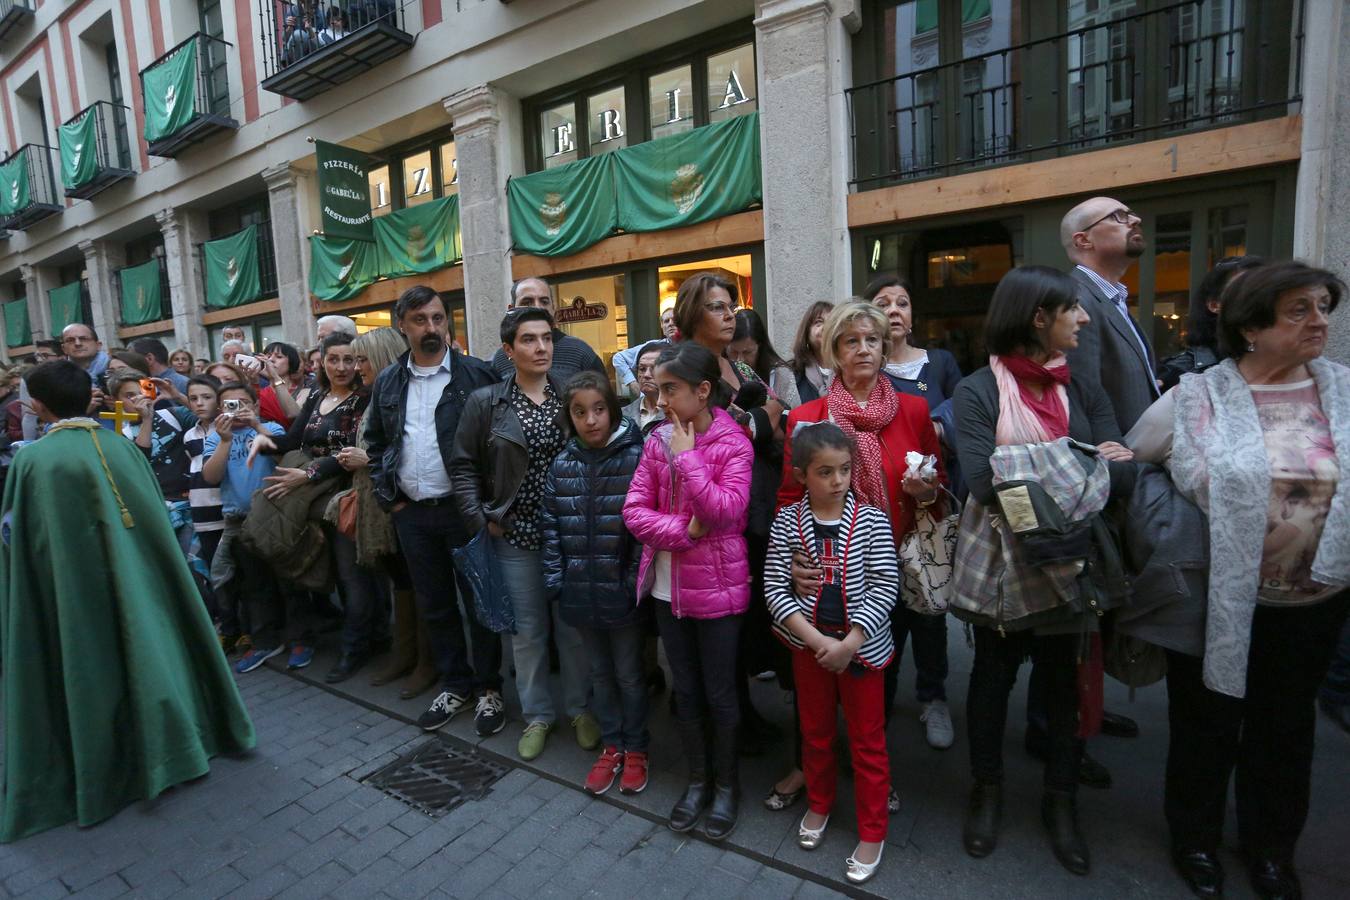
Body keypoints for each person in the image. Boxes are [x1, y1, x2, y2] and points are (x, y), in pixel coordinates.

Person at [1125, 261, 1350, 900]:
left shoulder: (1341, 389)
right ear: (1252, 326)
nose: (1320, 322)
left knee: (1286, 729)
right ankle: (1194, 840)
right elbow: (1142, 455)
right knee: (1206, 724)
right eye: (1300, 310)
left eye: (1323, 307)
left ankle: (1271, 850)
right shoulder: (1201, 393)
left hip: (1315, 600)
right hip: (1217, 595)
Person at [0, 361, 255, 843]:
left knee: (91, 666)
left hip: (75, 592)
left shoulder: (35, 460)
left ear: (37, 405)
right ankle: (175, 745)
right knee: (148, 650)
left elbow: (22, 538)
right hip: (143, 583)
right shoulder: (120, 447)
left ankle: (108, 767)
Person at [951, 266, 1137, 877]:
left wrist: (1029, 469)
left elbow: (1126, 473)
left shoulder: (1083, 388)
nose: (1084, 318)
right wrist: (1083, 465)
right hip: (1004, 571)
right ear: (1038, 317)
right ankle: (986, 789)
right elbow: (981, 483)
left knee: (1063, 688)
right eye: (1071, 310)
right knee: (992, 680)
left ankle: (1062, 802)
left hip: (1071, 567)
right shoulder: (980, 390)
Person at [452, 308, 597, 761]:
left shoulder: (570, 396)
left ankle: (579, 708)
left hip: (568, 533)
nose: (541, 348)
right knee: (528, 633)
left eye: (547, 339)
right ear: (508, 350)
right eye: (530, 340)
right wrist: (482, 519)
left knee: (572, 629)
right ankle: (538, 714)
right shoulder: (487, 402)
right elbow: (462, 467)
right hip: (514, 534)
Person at [623, 342, 753, 840]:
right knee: (687, 690)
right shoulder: (656, 441)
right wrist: (686, 533)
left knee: (720, 694)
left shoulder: (733, 442)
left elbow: (725, 512)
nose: (660, 399)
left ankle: (727, 787)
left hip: (718, 593)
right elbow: (634, 512)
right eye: (657, 389)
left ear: (702, 391)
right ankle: (698, 782)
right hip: (665, 591)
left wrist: (688, 460)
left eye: (670, 390)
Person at [364, 287, 504, 726]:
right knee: (435, 603)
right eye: (421, 320)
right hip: (413, 515)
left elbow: (498, 445)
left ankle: (489, 689)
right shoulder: (388, 381)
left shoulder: (475, 375)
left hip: (464, 512)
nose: (432, 328)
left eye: (438, 318)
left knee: (480, 603)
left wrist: (488, 506)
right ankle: (455, 684)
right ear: (401, 326)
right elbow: (376, 444)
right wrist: (392, 499)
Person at [765, 422, 898, 884]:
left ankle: (873, 830)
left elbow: (886, 587)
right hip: (811, 650)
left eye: (844, 470)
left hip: (861, 653)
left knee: (867, 741)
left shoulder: (872, 520)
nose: (838, 480)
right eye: (826, 472)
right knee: (815, 733)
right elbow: (774, 590)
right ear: (802, 475)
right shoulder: (788, 521)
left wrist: (850, 643)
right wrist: (820, 643)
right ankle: (819, 804)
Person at [1052, 195, 1153, 780]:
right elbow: (1085, 403)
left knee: (1098, 617)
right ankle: (1065, 732)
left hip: (1122, 474)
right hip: (1102, 482)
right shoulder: (1079, 301)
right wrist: (1112, 474)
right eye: (1118, 217)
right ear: (1083, 241)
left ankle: (1086, 717)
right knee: (1081, 619)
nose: (1133, 220)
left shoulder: (1113, 298)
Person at [675, 273, 786, 751]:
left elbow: (777, 411)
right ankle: (725, 727)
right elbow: (726, 434)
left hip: (755, 506)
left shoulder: (737, 368)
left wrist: (762, 419)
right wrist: (764, 419)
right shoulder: (683, 367)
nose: (731, 315)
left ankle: (739, 713)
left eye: (732, 306)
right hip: (714, 512)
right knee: (724, 625)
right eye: (718, 307)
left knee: (746, 618)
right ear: (693, 314)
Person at [864, 274, 964, 750]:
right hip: (878, 514)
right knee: (883, 614)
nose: (895, 310)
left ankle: (933, 697)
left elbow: (959, 411)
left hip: (925, 509)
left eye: (903, 302)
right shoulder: (864, 373)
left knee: (928, 611)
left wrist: (937, 428)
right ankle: (877, 704)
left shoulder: (939, 362)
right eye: (883, 303)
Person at [541, 372, 648, 796]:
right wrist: (557, 580)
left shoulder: (634, 456)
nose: (590, 420)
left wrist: (630, 581)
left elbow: (642, 531)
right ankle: (612, 745)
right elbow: (550, 526)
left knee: (629, 674)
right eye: (580, 412)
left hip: (620, 590)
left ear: (613, 409)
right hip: (580, 588)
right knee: (599, 675)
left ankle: (637, 748)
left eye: (599, 409)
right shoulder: (562, 464)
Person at [248, 332, 375, 680]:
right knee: (329, 569)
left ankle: (356, 648)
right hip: (312, 495)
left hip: (348, 497)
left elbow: (353, 452)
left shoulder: (366, 399)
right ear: (321, 360)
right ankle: (359, 634)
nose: (342, 367)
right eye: (333, 359)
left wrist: (309, 475)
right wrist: (262, 439)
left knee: (353, 575)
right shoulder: (318, 396)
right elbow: (294, 439)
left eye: (349, 359)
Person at [201, 382, 286, 666]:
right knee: (252, 583)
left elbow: (282, 456)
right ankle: (264, 640)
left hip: (274, 514)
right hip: (238, 519)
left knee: (287, 580)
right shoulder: (215, 438)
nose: (236, 410)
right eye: (229, 405)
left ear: (256, 405)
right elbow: (211, 477)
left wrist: (257, 425)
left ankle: (296, 637)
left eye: (242, 403)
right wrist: (225, 440)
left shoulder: (270, 428)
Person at [106, 371, 199, 557]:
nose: (137, 398)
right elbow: (140, 460)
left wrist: (178, 396)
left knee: (193, 563)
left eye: (140, 391)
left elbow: (207, 418)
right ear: (115, 401)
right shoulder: (120, 435)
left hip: (190, 504)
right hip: (156, 510)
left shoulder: (173, 415)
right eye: (129, 395)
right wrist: (147, 419)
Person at [1156, 255, 1264, 391]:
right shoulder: (1181, 373)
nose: (1259, 299)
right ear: (1214, 304)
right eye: (1244, 290)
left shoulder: (1289, 360)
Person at [489, 278, 606, 382]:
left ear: (553, 309)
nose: (537, 308)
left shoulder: (581, 353)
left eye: (544, 302)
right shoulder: (500, 359)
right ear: (512, 309)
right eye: (527, 302)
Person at [183, 375, 225, 568]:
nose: (199, 403)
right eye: (193, 398)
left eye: (207, 397)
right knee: (214, 572)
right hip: (202, 514)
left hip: (226, 512)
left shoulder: (229, 430)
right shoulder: (190, 436)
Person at [729, 307, 802, 409]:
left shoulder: (780, 375)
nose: (740, 359)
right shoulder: (723, 372)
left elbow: (795, 416)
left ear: (760, 346)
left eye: (747, 352)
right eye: (734, 352)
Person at [613, 307, 680, 396]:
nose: (670, 324)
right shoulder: (653, 347)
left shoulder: (694, 347)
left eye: (674, 320)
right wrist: (632, 383)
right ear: (662, 326)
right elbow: (618, 358)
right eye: (666, 321)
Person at [257, 341, 314, 428]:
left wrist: (275, 377)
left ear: (291, 363)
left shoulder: (305, 390)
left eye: (279, 357)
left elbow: (293, 414)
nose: (271, 360)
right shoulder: (260, 392)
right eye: (268, 356)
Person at [789, 301, 835, 403]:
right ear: (806, 333)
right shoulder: (792, 373)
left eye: (832, 322)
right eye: (819, 322)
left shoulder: (849, 370)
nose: (826, 327)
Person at [622, 341, 669, 436]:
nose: (646, 375)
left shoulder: (680, 415)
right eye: (642, 369)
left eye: (654, 369)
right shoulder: (622, 415)